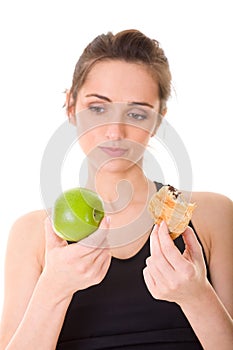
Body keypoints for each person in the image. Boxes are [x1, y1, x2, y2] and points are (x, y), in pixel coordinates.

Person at [0, 29, 232, 350]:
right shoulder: (32, 234)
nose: (114, 131)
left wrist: (197, 296)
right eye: (98, 108)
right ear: (70, 107)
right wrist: (54, 289)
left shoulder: (212, 216)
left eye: (137, 114)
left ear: (158, 120)